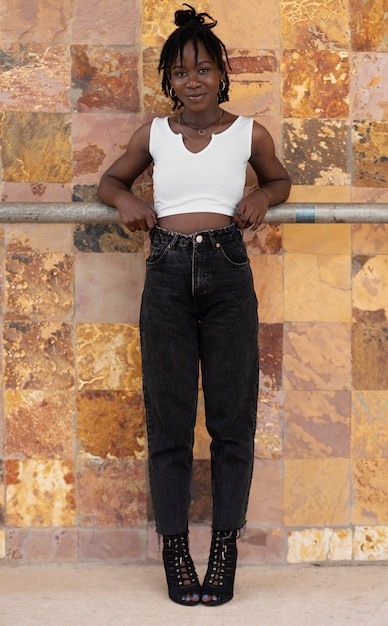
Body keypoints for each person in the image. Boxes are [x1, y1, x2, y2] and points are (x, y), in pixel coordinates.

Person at [98, 4, 291, 607]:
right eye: (180, 73)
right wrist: (123, 201)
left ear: (221, 73)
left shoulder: (248, 133)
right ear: (169, 82)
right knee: (171, 419)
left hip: (229, 272)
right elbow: (110, 182)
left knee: (232, 419)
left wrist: (262, 193)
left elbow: (280, 179)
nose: (193, 80)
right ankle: (177, 551)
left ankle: (225, 549)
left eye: (203, 68)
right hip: (167, 274)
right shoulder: (154, 134)